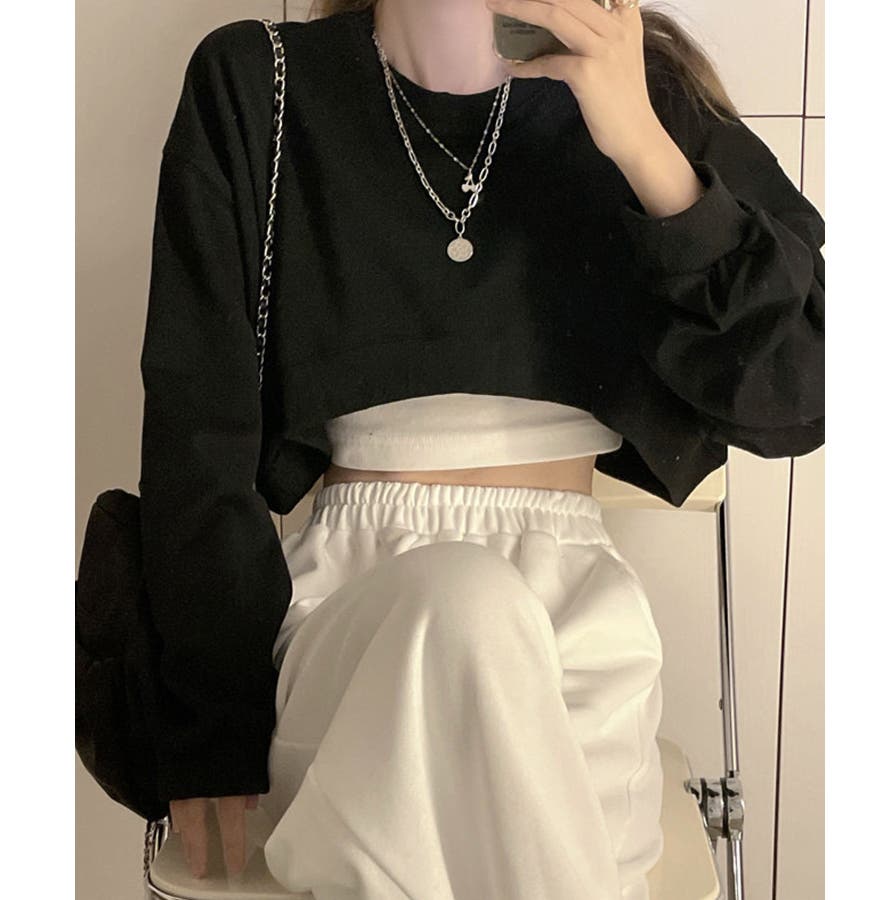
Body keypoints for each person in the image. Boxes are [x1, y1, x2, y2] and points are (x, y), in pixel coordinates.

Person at [138, 0, 825, 897]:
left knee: (478, 614)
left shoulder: (642, 87)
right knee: (462, 602)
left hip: (576, 641)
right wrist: (208, 720)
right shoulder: (260, 84)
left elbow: (800, 394)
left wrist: (642, 146)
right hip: (347, 632)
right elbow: (197, 427)